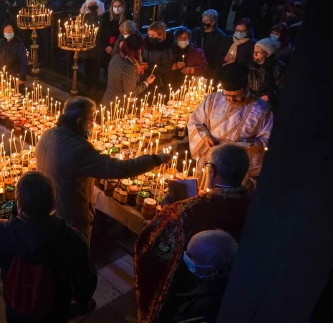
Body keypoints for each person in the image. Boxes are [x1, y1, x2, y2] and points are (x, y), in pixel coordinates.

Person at [135, 144, 251, 322]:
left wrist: (169, 209)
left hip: (189, 291)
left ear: (211, 171)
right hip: (231, 291)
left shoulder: (186, 211)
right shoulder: (254, 207)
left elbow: (149, 244)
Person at [36, 96, 171, 243]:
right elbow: (118, 169)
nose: (92, 126)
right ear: (79, 122)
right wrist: (155, 159)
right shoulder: (78, 149)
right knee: (77, 258)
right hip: (71, 218)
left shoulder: (47, 134)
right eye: (91, 121)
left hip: (49, 209)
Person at [0, 171, 98, 322]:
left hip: (16, 310)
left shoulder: (3, 231)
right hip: (55, 311)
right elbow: (85, 287)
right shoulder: (71, 238)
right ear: (53, 203)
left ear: (19, 204)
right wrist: (78, 300)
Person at [187, 63, 273, 183]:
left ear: (247, 86)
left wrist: (247, 145)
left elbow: (267, 139)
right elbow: (194, 123)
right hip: (211, 161)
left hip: (239, 165)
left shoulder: (261, 110)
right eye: (227, 95)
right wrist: (205, 137)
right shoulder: (213, 99)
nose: (231, 100)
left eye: (236, 96)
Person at [172, 230, 239, 322]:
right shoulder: (233, 281)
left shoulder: (206, 307)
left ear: (213, 268)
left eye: (191, 257)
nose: (185, 257)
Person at [102, 33, 155, 106]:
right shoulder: (129, 67)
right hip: (119, 105)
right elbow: (131, 93)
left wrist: (138, 65)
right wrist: (146, 82)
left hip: (109, 98)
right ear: (137, 50)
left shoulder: (117, 56)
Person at [248, 38, 286, 108]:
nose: (255, 55)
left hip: (269, 105)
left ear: (268, 54)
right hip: (253, 101)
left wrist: (268, 97)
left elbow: (284, 89)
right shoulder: (252, 64)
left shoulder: (278, 67)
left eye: (258, 53)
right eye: (254, 52)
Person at [191, 9, 228, 75]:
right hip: (195, 66)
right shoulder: (196, 31)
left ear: (213, 22)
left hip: (210, 69)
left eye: (206, 21)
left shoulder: (221, 36)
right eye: (202, 20)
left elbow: (219, 54)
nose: (203, 23)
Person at [98, 0, 128, 78]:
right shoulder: (106, 16)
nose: (117, 8)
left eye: (119, 6)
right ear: (111, 6)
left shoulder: (127, 18)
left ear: (123, 6)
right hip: (107, 47)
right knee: (106, 69)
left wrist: (114, 47)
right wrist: (106, 46)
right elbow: (101, 33)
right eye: (115, 6)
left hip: (119, 47)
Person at [79, 0, 104, 91]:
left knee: (95, 65)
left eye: (94, 4)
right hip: (86, 43)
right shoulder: (84, 16)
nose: (92, 6)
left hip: (97, 43)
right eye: (90, 4)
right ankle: (87, 83)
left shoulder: (101, 16)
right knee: (86, 64)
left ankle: (94, 84)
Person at [0, 22, 28, 86]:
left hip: (15, 76)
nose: (8, 33)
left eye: (10, 31)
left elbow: (24, 61)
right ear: (3, 32)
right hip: (2, 75)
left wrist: (22, 77)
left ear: (14, 31)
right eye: (6, 31)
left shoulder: (19, 44)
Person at [142, 21, 173, 90]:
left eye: (153, 35)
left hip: (157, 82)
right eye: (149, 35)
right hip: (143, 80)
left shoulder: (165, 50)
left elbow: (166, 69)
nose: (149, 37)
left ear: (160, 36)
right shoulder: (145, 46)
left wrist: (148, 67)